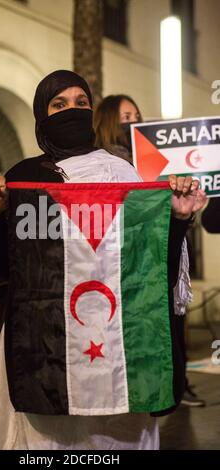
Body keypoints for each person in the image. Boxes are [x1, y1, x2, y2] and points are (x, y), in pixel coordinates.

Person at [0, 70, 206, 450]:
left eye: (81, 102)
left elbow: (147, 262)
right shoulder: (23, 178)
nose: (72, 110)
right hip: (41, 350)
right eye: (59, 104)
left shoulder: (123, 175)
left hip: (115, 350)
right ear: (41, 114)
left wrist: (178, 218)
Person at [94, 94, 206, 407]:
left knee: (173, 318)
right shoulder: (107, 166)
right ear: (107, 123)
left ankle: (176, 384)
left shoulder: (156, 160)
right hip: (131, 259)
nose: (132, 121)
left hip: (165, 247)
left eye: (136, 115)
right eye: (124, 116)